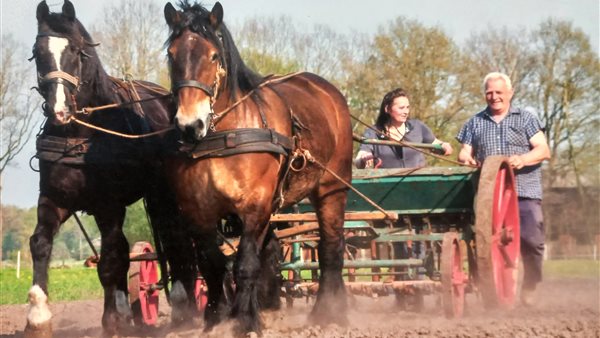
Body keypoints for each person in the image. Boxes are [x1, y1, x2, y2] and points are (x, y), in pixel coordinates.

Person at [456, 72, 551, 307]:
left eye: (499, 92)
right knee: (484, 243)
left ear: (510, 93)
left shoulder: (526, 118)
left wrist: (524, 158)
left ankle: (531, 282)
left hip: (523, 191)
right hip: (490, 199)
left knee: (533, 241)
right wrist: (466, 158)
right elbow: (464, 152)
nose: (494, 97)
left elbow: (543, 150)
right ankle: (493, 290)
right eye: (489, 92)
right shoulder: (474, 122)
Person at [354, 88, 453, 169]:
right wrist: (363, 160)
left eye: (407, 107)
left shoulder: (418, 127)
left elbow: (436, 145)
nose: (406, 112)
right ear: (387, 109)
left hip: (418, 185)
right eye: (401, 108)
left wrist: (443, 147)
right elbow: (359, 159)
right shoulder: (372, 132)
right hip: (386, 188)